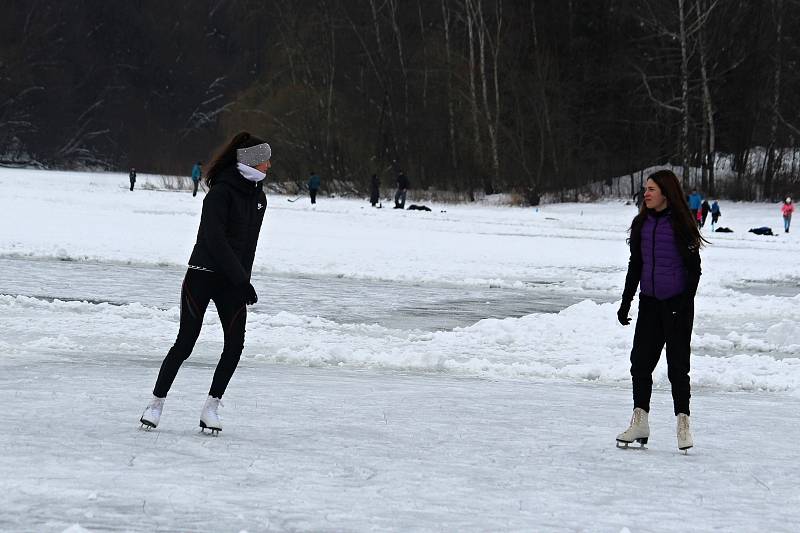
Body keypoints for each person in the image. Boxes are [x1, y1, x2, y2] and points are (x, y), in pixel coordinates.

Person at [139, 132, 271, 435]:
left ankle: (211, 407)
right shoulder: (221, 193)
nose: (269, 165)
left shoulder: (259, 199)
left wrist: (242, 281)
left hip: (232, 282)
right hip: (202, 274)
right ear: (251, 160)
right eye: (265, 159)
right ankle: (156, 403)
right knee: (186, 342)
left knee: (235, 345)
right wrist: (241, 279)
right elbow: (215, 240)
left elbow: (248, 246)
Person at [615, 169, 706, 453]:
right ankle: (640, 420)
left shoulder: (682, 224)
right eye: (646, 189)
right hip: (650, 303)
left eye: (651, 189)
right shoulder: (641, 223)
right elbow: (636, 266)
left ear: (666, 192)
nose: (646, 193)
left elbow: (695, 271)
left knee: (678, 367)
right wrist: (626, 301)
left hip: (677, 305)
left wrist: (684, 302)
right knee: (640, 363)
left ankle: (683, 424)